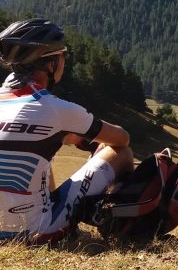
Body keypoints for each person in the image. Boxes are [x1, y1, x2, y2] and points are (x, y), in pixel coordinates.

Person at [0, 18, 134, 243]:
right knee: (121, 153)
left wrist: (62, 136)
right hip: (33, 232)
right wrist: (83, 139)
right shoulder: (55, 109)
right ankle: (111, 219)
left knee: (41, 153)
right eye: (63, 55)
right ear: (50, 63)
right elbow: (121, 138)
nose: (64, 61)